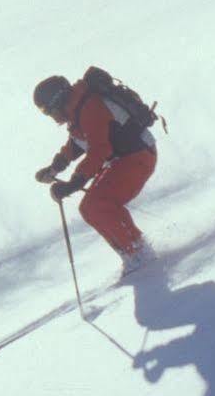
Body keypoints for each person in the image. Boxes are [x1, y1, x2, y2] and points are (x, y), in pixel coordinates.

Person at [34, 71, 158, 272]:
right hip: (124, 159)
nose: (53, 117)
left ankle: (137, 254)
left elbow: (100, 149)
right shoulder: (78, 108)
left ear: (59, 100)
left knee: (97, 205)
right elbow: (78, 142)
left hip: (137, 157)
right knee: (91, 207)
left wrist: (74, 183)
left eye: (50, 111)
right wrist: (55, 167)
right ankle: (135, 250)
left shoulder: (90, 107)